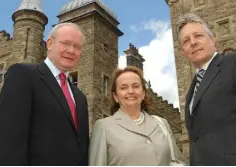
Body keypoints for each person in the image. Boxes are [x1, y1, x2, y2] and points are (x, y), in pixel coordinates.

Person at [0, 23, 89, 165]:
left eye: (77, 47)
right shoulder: (23, 75)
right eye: (65, 43)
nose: (71, 50)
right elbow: (8, 138)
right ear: (49, 44)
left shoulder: (80, 97)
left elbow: (82, 149)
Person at [89, 66, 185, 165]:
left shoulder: (162, 123)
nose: (131, 91)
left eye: (136, 86)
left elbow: (178, 162)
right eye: (123, 87)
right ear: (115, 96)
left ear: (143, 93)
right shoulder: (103, 126)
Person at [177, 13, 236, 165]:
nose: (193, 42)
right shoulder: (193, 87)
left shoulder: (232, 63)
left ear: (213, 39)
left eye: (198, 36)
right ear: (183, 52)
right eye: (186, 41)